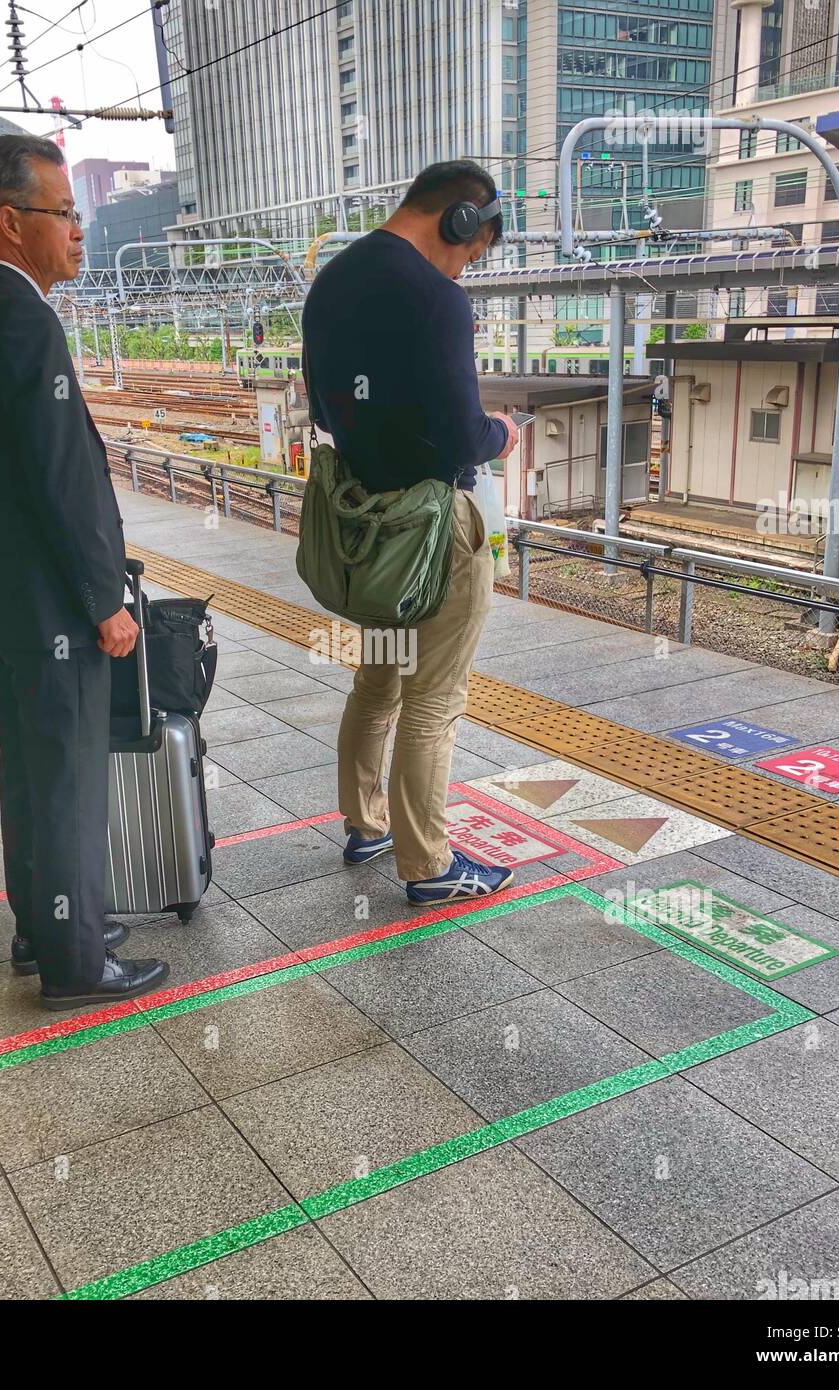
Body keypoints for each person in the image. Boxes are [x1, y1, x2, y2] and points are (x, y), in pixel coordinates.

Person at [0, 134, 169, 1008]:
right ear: (10, 221)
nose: (78, 230)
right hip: (47, 608)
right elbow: (58, 481)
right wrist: (104, 601)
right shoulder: (24, 319)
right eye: (63, 213)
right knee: (68, 777)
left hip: (2, 600)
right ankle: (77, 965)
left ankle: (45, 924)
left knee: (30, 770)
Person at [301, 160, 520, 903]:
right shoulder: (434, 299)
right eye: (470, 250)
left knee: (379, 678)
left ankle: (366, 826)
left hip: (365, 525)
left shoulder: (331, 282)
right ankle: (428, 866)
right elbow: (462, 434)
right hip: (434, 526)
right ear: (460, 221)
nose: (464, 268)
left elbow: (329, 415)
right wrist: (499, 432)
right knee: (434, 697)